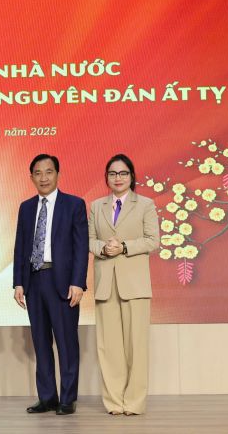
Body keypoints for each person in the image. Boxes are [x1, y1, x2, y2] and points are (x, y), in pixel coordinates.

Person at [12, 154, 88, 416]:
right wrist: (19, 282)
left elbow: (81, 247)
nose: (43, 178)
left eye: (48, 172)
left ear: (58, 174)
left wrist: (78, 282)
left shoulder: (74, 205)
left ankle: (67, 398)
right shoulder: (26, 207)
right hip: (34, 282)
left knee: (67, 343)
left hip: (63, 283)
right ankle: (47, 397)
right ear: (31, 176)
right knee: (41, 344)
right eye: (37, 173)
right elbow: (21, 246)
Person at [88, 154, 159, 415]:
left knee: (136, 346)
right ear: (106, 177)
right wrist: (103, 248)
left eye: (123, 173)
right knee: (109, 347)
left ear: (132, 176)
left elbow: (153, 240)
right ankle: (114, 402)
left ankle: (134, 402)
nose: (118, 178)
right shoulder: (96, 206)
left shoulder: (146, 204)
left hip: (135, 285)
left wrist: (125, 246)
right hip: (106, 284)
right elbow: (89, 240)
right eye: (113, 173)